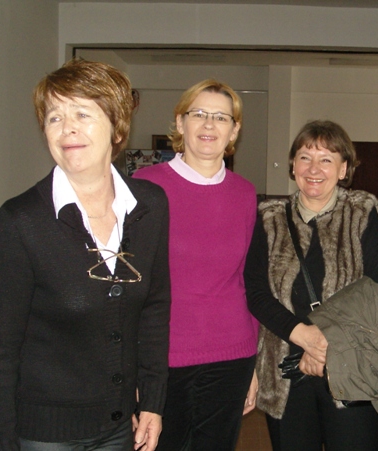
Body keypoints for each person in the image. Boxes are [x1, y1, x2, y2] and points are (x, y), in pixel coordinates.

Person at [0, 59, 170, 451]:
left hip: (119, 426)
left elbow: (154, 310)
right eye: (54, 117)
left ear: (117, 126)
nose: (67, 128)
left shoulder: (149, 206)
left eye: (82, 114)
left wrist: (152, 401)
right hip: (46, 433)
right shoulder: (22, 220)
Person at [244, 119, 378, 451]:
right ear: (292, 165)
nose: (314, 169)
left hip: (353, 370)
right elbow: (255, 291)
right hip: (285, 373)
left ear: (343, 169)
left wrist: (325, 341)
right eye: (305, 157)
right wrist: (304, 336)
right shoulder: (268, 218)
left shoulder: (361, 214)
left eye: (326, 159)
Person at [133, 79, 259, 450]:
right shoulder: (144, 186)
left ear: (234, 130)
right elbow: (131, 283)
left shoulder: (245, 192)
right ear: (180, 122)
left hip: (233, 354)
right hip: (163, 358)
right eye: (198, 114)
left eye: (221, 117)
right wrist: (134, 370)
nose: (209, 124)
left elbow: (248, 280)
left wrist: (252, 365)